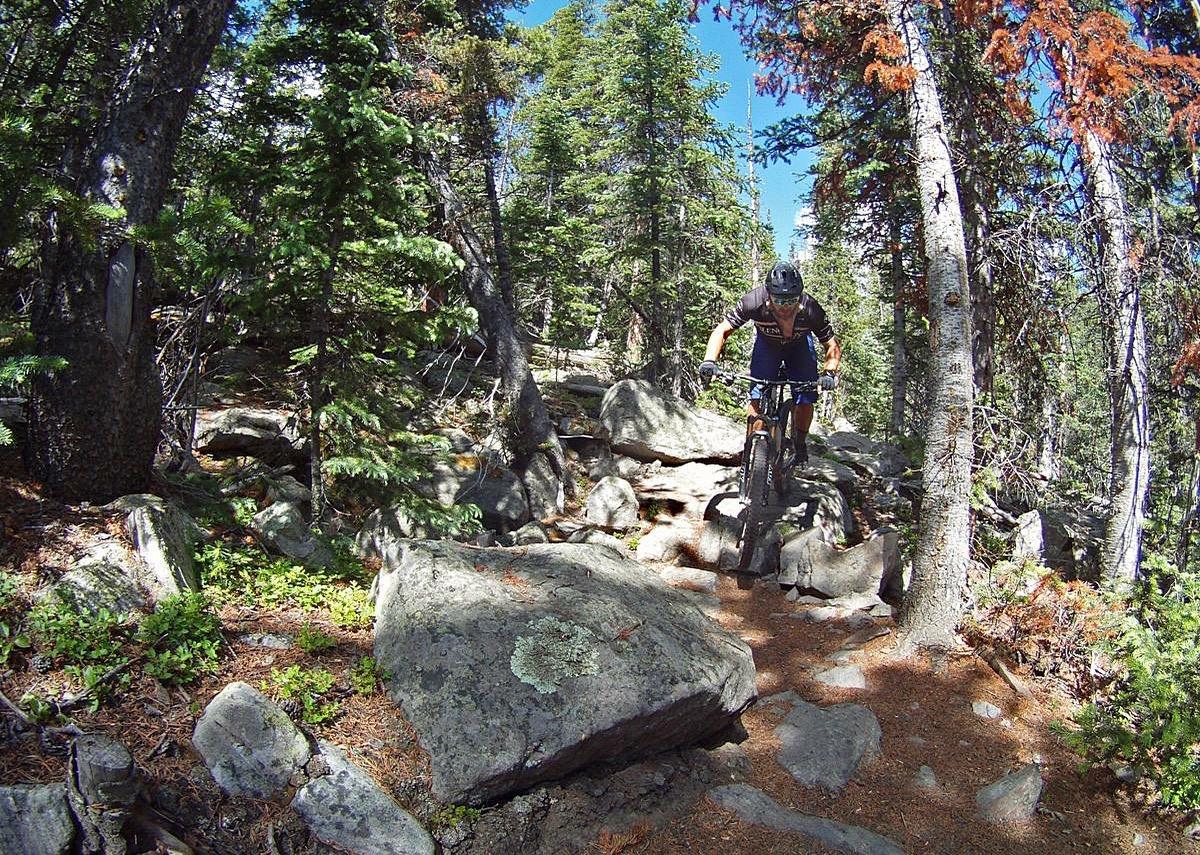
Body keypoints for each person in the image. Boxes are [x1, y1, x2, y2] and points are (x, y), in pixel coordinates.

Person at [698, 261, 841, 468]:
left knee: (805, 398)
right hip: (767, 347)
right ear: (768, 295)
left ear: (800, 297)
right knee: (757, 396)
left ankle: (800, 443)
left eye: (791, 301)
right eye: (779, 301)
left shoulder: (811, 309)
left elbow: (832, 345)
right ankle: (752, 449)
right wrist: (709, 360)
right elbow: (722, 330)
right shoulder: (753, 301)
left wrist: (829, 373)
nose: (785, 307)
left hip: (800, 348)